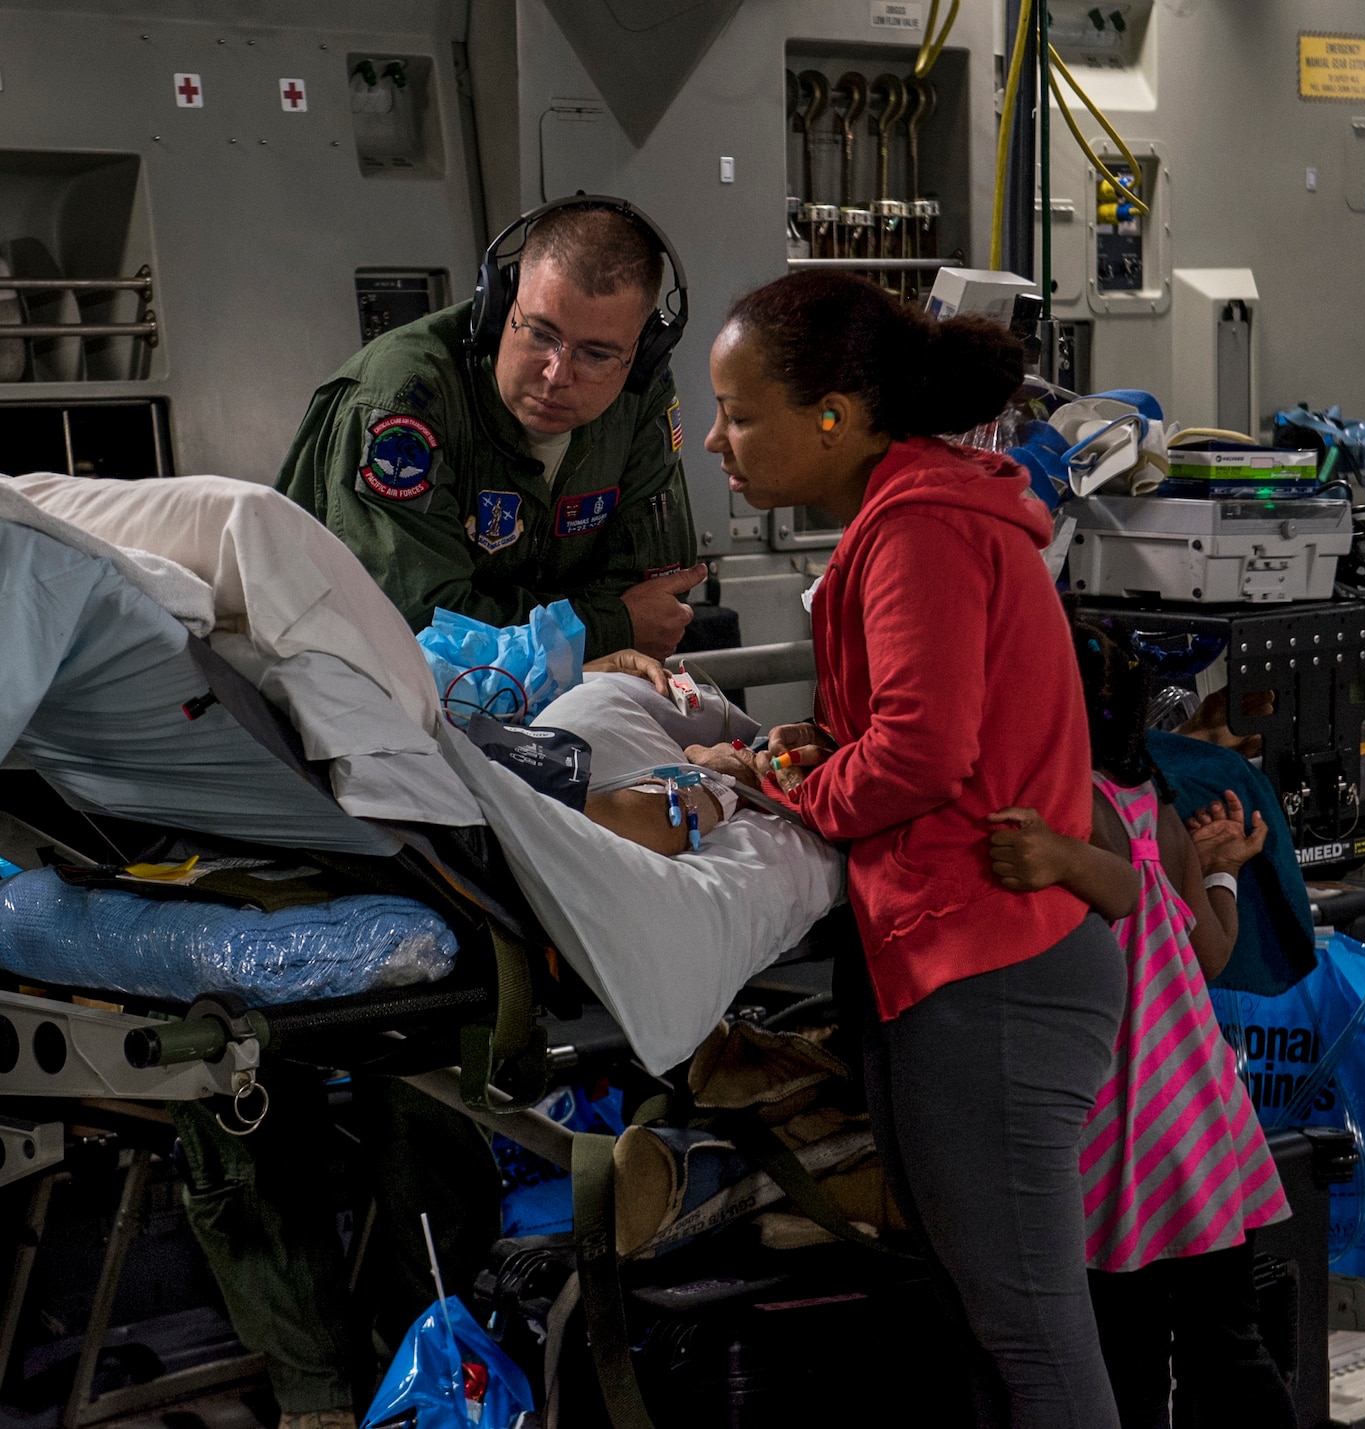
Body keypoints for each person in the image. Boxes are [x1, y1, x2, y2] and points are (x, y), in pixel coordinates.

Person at [689, 271, 1129, 1428]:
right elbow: (921, 732)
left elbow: (923, 757)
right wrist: (824, 744)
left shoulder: (917, 529)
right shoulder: (925, 510)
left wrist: (793, 784)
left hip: (988, 973)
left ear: (831, 414)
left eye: (737, 412)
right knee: (978, 1324)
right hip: (968, 963)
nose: (713, 439)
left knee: (1030, 1342)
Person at [985, 620, 1295, 1429]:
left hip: (1117, 1135)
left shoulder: (1065, 816)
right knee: (1226, 1348)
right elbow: (1213, 954)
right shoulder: (1152, 807)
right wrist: (1225, 865)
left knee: (1121, 1366)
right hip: (1202, 1123)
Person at [277, 199, 705, 660]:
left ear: (641, 356)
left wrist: (590, 636)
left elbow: (654, 593)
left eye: (596, 356)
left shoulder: (642, 392)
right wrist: (606, 630)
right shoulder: (401, 401)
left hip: (544, 701)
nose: (557, 375)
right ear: (498, 308)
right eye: (540, 334)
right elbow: (424, 629)